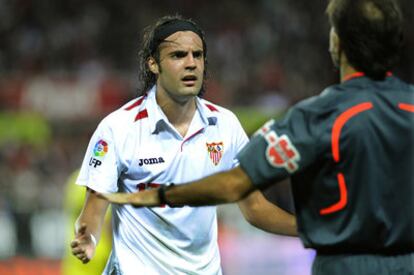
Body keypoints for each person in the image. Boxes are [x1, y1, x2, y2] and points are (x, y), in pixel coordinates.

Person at [101, 0, 414, 274]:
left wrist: (160, 195)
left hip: (348, 265)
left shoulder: (319, 116)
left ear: (337, 44)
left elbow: (236, 183)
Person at [71, 15, 297, 275]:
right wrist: (89, 238)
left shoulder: (225, 125)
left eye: (197, 55)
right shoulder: (118, 128)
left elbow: (254, 208)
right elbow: (94, 209)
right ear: (153, 64)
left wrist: (309, 230)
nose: (191, 64)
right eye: (178, 55)